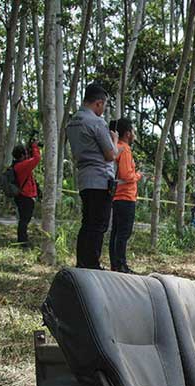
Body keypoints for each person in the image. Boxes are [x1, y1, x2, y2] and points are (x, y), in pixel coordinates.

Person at [66, 84, 120, 269]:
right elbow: (110, 154)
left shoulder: (72, 122)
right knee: (99, 224)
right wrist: (114, 139)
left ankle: (82, 262)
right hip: (100, 179)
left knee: (87, 222)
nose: (103, 109)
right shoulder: (96, 122)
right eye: (103, 105)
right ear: (98, 103)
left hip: (84, 178)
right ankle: (92, 264)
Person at [109, 118, 141, 273]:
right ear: (128, 133)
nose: (134, 134)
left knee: (116, 232)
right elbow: (127, 175)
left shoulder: (116, 148)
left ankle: (115, 264)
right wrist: (138, 175)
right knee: (123, 233)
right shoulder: (125, 149)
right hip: (126, 197)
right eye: (133, 132)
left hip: (116, 196)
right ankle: (121, 265)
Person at [11, 139, 41, 247]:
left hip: (24, 196)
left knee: (24, 219)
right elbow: (37, 159)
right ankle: (23, 242)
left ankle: (23, 240)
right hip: (25, 196)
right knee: (24, 220)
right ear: (23, 155)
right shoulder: (22, 166)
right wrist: (34, 147)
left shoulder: (18, 165)